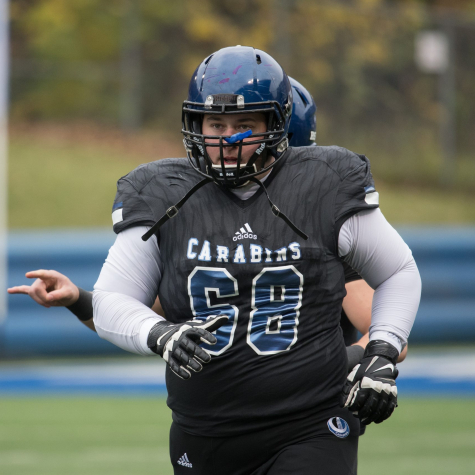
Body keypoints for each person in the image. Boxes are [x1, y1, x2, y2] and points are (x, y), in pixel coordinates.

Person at [10, 47, 420, 474]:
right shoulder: (163, 192)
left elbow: (397, 271)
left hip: (309, 420)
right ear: (195, 123)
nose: (228, 139)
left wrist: (380, 352)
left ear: (275, 126)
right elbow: (120, 303)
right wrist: (156, 332)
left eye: (244, 125)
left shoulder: (322, 186)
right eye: (216, 124)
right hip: (205, 431)